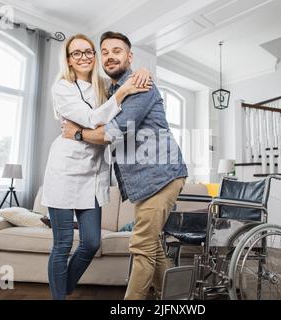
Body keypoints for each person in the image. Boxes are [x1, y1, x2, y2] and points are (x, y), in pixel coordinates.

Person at [60, 31, 188, 300]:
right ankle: (178, 297)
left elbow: (113, 133)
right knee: (153, 246)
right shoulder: (113, 89)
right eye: (104, 52)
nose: (109, 56)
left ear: (129, 56)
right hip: (144, 181)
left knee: (141, 245)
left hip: (162, 175)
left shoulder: (141, 86)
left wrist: (78, 134)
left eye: (117, 51)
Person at [41, 33, 152, 300]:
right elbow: (92, 119)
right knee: (63, 244)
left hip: (93, 175)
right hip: (64, 172)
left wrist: (144, 70)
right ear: (68, 59)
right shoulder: (62, 88)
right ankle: (60, 296)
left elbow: (126, 79)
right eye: (76, 53)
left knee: (91, 242)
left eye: (88, 51)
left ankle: (63, 286)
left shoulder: (103, 84)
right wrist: (124, 92)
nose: (84, 57)